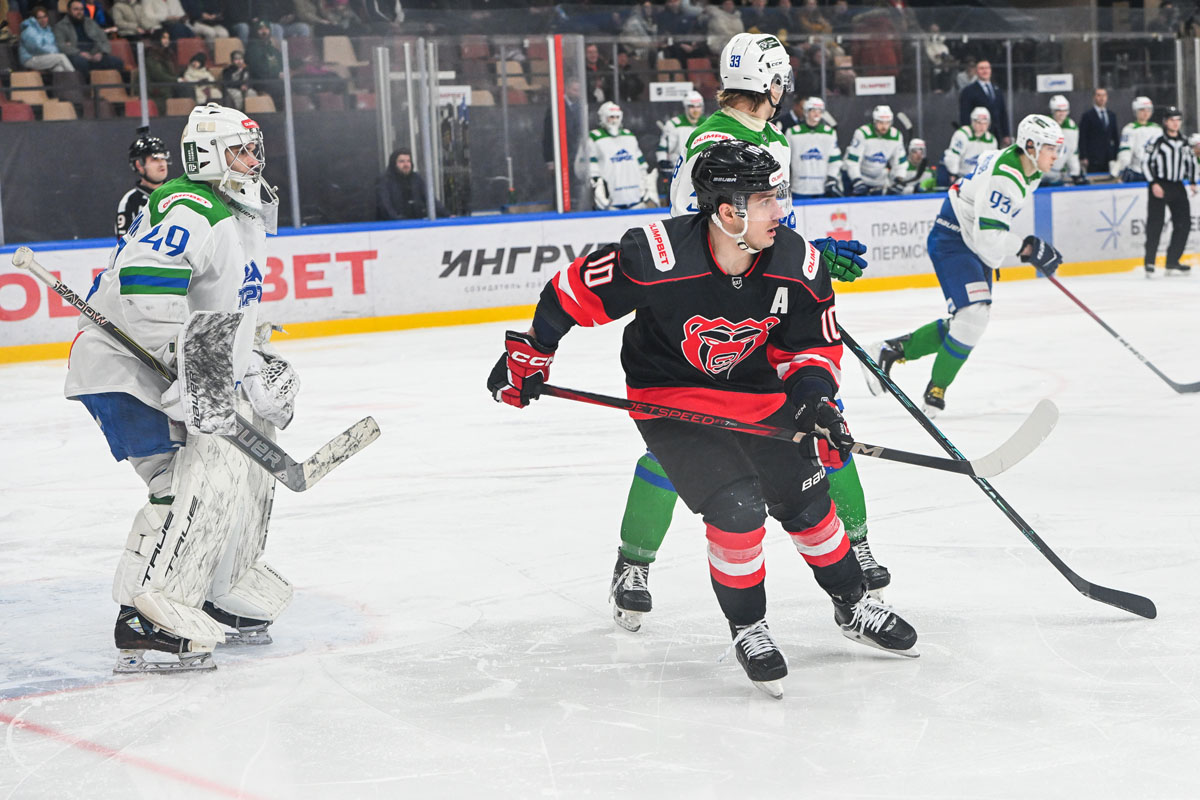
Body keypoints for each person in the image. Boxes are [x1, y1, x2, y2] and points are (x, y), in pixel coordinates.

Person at [487, 140, 919, 698]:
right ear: (727, 213)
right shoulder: (656, 256)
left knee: (809, 503)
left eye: (779, 196)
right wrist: (531, 355)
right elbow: (570, 293)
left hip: (759, 395)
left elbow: (811, 348)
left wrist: (816, 402)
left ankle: (853, 604)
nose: (780, 211)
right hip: (672, 399)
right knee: (737, 508)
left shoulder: (797, 263)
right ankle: (749, 628)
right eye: (765, 201)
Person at [622, 32, 883, 637]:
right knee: (685, 440)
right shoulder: (713, 142)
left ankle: (855, 547)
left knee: (821, 422)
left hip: (767, 307)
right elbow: (702, 234)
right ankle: (633, 562)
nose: (785, 88)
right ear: (771, 81)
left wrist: (806, 259)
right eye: (781, 78)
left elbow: (770, 223)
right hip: (712, 317)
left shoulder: (771, 137)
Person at [65, 102, 293, 672]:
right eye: (240, 150)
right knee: (185, 484)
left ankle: (213, 588)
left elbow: (225, 310)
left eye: (255, 149)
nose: (253, 161)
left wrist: (250, 364)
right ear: (207, 155)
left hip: (183, 364)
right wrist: (189, 371)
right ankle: (146, 615)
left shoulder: (240, 214)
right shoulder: (192, 205)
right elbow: (146, 290)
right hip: (127, 367)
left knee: (232, 472)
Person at [864, 115, 1064, 415]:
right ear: (1031, 146)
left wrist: (1020, 248)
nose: (1056, 156)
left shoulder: (1028, 169)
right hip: (954, 239)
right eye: (1050, 148)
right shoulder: (1006, 177)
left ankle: (889, 350)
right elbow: (989, 236)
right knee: (973, 317)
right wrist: (1026, 248)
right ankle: (935, 392)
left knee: (970, 321)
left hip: (969, 240)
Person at [1142, 107, 1196, 276]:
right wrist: (1153, 183)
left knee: (1184, 223)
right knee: (1155, 224)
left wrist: (1192, 181)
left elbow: (1191, 162)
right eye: (1172, 120)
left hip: (1178, 186)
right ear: (1165, 122)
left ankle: (1172, 261)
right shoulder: (1157, 141)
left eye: (1178, 120)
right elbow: (1145, 163)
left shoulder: (1185, 142)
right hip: (1160, 184)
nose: (1175, 123)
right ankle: (1150, 262)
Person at [587, 101, 657, 211]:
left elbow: (641, 164)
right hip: (610, 198)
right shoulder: (594, 137)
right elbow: (592, 168)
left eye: (617, 117)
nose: (614, 120)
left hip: (635, 196)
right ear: (603, 118)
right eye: (611, 117)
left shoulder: (629, 136)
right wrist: (597, 185)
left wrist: (645, 186)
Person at [115, 127, 171, 241]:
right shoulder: (129, 202)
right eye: (154, 159)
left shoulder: (177, 193)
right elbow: (123, 244)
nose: (161, 164)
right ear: (139, 165)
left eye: (163, 158)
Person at [784, 96, 843, 199]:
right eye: (813, 110)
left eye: (820, 111)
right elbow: (784, 159)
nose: (817, 113)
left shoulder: (830, 133)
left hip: (821, 188)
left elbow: (835, 160)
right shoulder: (792, 132)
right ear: (806, 112)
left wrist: (832, 177)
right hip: (799, 188)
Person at [844, 105, 905, 195]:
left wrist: (899, 179)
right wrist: (856, 180)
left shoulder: (897, 136)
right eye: (880, 122)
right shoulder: (862, 133)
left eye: (887, 123)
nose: (884, 126)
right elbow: (853, 161)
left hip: (878, 180)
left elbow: (900, 162)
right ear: (874, 121)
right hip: (856, 178)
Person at [53, 0, 126, 74]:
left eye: (81, 9)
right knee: (81, 63)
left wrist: (101, 53)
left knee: (117, 62)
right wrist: (80, 53)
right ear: (69, 11)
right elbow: (61, 45)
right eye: (76, 9)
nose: (79, 12)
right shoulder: (60, 26)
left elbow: (104, 40)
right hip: (76, 55)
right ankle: (88, 81)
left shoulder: (91, 22)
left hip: (95, 53)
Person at [655, 90, 706, 195]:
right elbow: (663, 148)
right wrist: (663, 162)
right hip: (679, 173)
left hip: (702, 173)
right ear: (686, 107)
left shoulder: (707, 124)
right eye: (692, 106)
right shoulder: (673, 124)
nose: (695, 110)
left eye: (698, 106)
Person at [375, 147, 446, 220]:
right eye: (402, 161)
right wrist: (399, 221)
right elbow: (385, 206)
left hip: (416, 223)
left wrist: (447, 214)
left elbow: (431, 200)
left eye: (408, 161)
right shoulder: (384, 180)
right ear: (394, 163)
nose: (406, 164)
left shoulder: (416, 178)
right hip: (393, 225)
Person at [958, 59, 1009, 143]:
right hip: (978, 135)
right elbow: (965, 115)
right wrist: (968, 134)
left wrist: (1006, 134)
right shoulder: (968, 91)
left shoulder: (997, 90)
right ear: (976, 71)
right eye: (982, 68)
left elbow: (1002, 113)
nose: (985, 71)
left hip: (996, 134)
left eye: (987, 68)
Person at [943, 106, 996, 184]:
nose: (982, 126)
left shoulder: (992, 140)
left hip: (980, 179)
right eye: (979, 122)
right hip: (961, 177)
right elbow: (953, 156)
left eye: (985, 123)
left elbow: (991, 162)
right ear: (973, 122)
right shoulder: (962, 135)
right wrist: (953, 173)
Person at [1043, 95, 1086, 186]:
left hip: (1057, 174)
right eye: (1058, 111)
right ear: (1053, 111)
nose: (1062, 114)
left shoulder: (1071, 127)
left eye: (1064, 111)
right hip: (1039, 172)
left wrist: (1075, 173)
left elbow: (1072, 152)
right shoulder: (1043, 125)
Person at [1115, 96, 1160, 182]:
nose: (1146, 113)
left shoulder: (1157, 129)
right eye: (1142, 110)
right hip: (1136, 171)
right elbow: (1125, 151)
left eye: (1148, 110)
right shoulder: (1130, 129)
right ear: (1136, 111)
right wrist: (1122, 167)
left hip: (1155, 171)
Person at [18, 6, 75, 73]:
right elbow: (38, 48)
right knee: (61, 57)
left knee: (59, 68)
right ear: (34, 19)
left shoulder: (47, 30)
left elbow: (52, 44)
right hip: (30, 59)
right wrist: (56, 50)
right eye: (39, 18)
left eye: (45, 17)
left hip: (44, 57)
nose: (43, 20)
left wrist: (63, 45)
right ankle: (75, 76)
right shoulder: (29, 30)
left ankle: (66, 79)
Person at [1078, 88, 1119, 178]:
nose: (1102, 98)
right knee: (1094, 179)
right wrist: (1083, 156)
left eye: (1104, 95)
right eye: (1099, 95)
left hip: (1108, 157)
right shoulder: (1087, 116)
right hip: (1093, 157)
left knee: (1109, 180)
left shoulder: (1111, 115)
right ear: (1094, 97)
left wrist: (1116, 155)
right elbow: (1082, 137)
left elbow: (1115, 137)